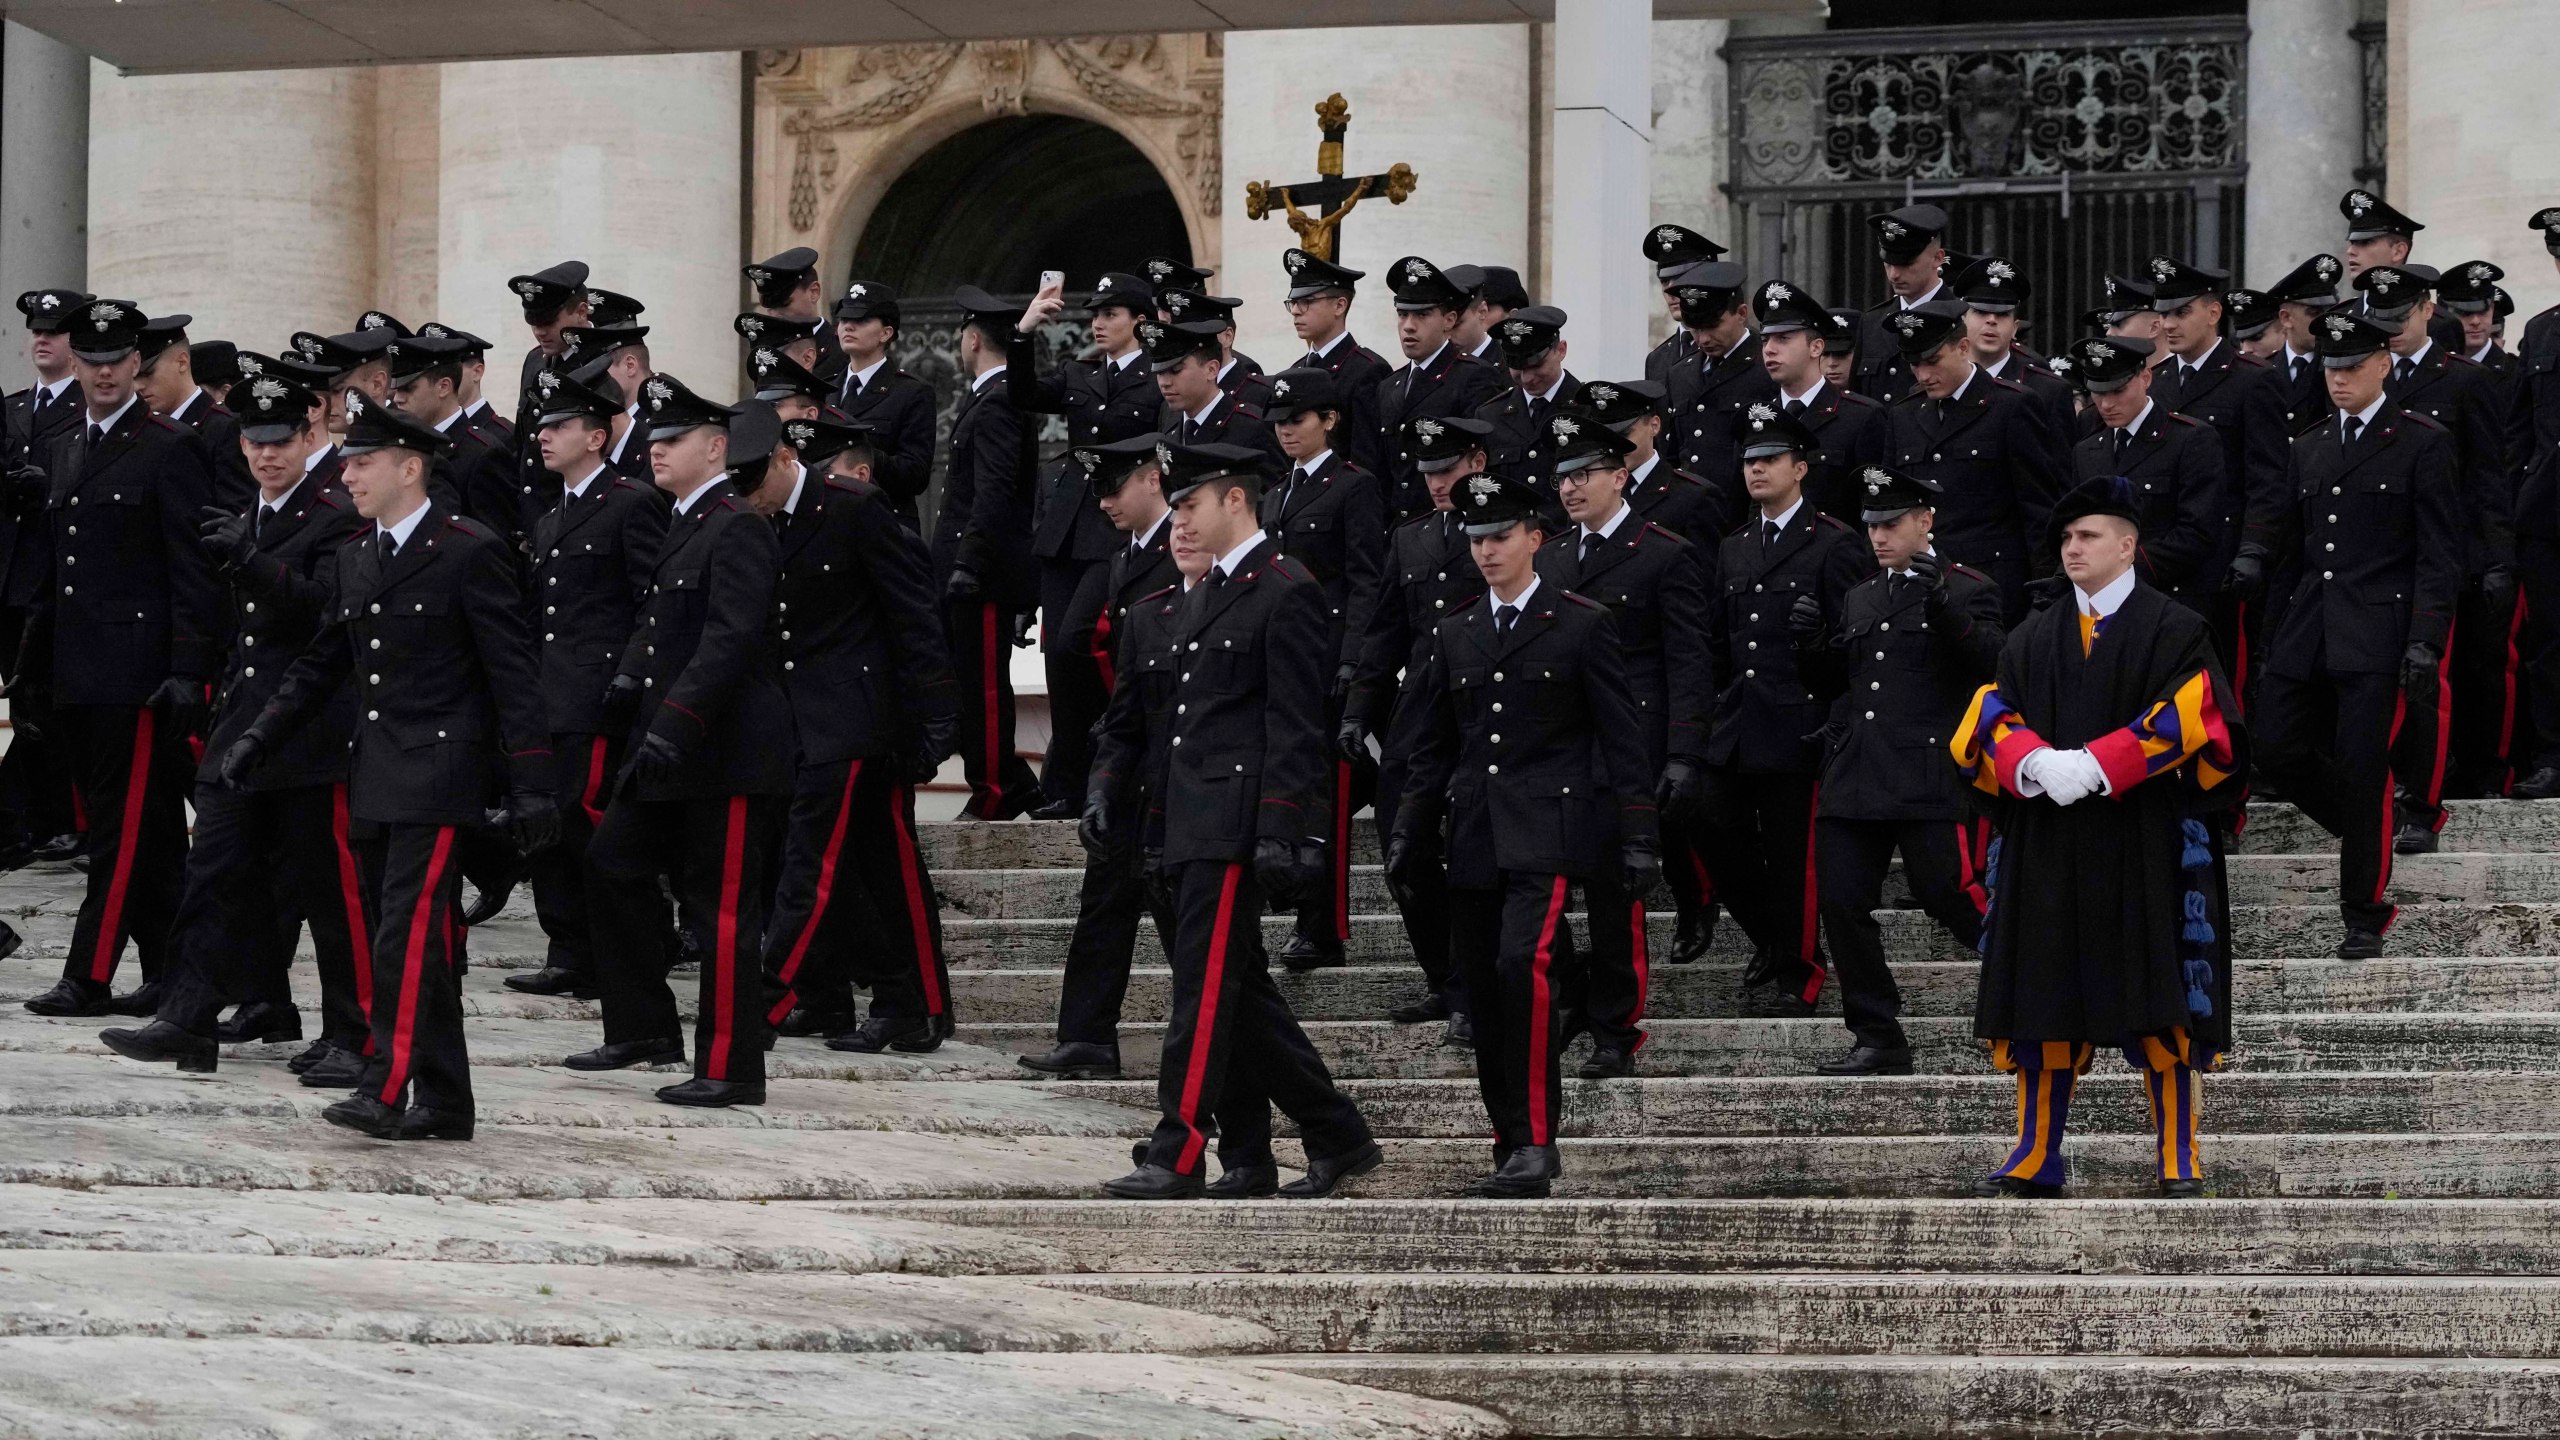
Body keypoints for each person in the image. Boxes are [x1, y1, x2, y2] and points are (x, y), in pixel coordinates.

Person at [210, 389, 555, 1139]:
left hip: (438, 778)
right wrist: (259, 736)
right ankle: (446, 1100)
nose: (350, 476)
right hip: (371, 775)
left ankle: (386, 1086)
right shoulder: (358, 555)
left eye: (363, 462)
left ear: (409, 465)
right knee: (410, 943)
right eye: (349, 460)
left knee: (402, 936)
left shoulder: (468, 548)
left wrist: (532, 784)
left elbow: (513, 677)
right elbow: (324, 659)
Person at [1100, 440, 1382, 1203]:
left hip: (1233, 826)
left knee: (1203, 991)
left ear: (1235, 500)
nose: (1178, 521)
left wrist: (1283, 831)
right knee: (1239, 996)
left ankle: (1178, 1149)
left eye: (1189, 504)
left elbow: (1295, 728)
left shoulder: (1284, 588)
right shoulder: (1193, 593)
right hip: (1180, 822)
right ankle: (1319, 1137)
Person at [1954, 474, 2242, 1199]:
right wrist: (2034, 762)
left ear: (2128, 545)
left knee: (2163, 997)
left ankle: (2179, 1152)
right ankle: (2034, 1153)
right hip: (2049, 840)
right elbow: (1989, 717)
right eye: (2066, 538)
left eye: (2087, 536)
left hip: (2146, 837)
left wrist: (2102, 763)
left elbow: (2197, 713)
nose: (2072, 547)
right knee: (2042, 995)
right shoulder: (2033, 633)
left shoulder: (2176, 628)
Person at [95, 371, 371, 1077]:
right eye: (254, 441)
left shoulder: (336, 511)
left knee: (329, 891)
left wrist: (249, 564)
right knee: (213, 871)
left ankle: (355, 1033)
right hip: (243, 726)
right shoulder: (249, 508)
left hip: (313, 734)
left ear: (312, 438)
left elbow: (324, 614)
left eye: (280, 441)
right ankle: (188, 1018)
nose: (266, 455)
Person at [1392, 469, 1655, 1198]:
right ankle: (1510, 1140)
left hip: (1550, 829)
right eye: (1476, 538)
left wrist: (1637, 835)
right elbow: (1435, 742)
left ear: (1536, 539)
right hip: (1475, 830)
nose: (1486, 550)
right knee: (1481, 990)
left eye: (1500, 535)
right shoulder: (1457, 630)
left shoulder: (1581, 622)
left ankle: (1538, 1140)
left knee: (1523, 968)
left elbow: (1622, 739)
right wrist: (1412, 825)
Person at [567, 376, 792, 1107]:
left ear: (716, 448)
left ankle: (730, 1066)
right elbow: (659, 627)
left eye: (672, 441)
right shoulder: (686, 521)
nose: (656, 451)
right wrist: (626, 689)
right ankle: (643, 1027)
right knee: (611, 863)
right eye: (654, 440)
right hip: (668, 749)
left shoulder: (739, 525)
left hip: (721, 755)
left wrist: (673, 723)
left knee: (720, 909)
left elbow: (730, 640)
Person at [17, 300, 223, 1019]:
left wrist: (190, 670)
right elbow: (53, 571)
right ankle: (173, 975)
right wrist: (29, 670)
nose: (104, 374)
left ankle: (91, 974)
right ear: (76, 364)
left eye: (116, 361)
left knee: (125, 832)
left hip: (140, 677)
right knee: (153, 836)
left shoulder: (169, 446)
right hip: (78, 670)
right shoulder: (65, 445)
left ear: (137, 364)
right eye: (92, 361)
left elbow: (191, 569)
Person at [743, 411, 958, 1054]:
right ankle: (898, 1002)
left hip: (860, 721)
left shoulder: (854, 507)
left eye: (754, 475)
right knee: (872, 872)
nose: (745, 489)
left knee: (819, 864)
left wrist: (937, 717)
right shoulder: (758, 518)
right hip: (799, 724)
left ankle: (769, 999)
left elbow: (914, 615)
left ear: (786, 458)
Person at [2256, 309, 2462, 961]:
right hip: (2310, 623)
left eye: (2350, 367)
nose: (2337, 378)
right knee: (2275, 746)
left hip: (2378, 628)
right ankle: (2363, 826)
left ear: (2381, 365)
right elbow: (2293, 551)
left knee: (2364, 766)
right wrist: (2271, 640)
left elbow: (2439, 553)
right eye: (2329, 367)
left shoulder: (2421, 442)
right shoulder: (2310, 444)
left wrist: (2425, 637)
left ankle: (2365, 915)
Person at [1800, 464, 2002, 1077]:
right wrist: (1811, 648)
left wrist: (1942, 607)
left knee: (1946, 892)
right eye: (1872, 525)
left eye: (1892, 523)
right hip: (1857, 767)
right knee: (1840, 902)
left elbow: (1994, 661)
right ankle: (1877, 1032)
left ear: (1925, 521)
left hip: (1924, 770)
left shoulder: (1965, 587)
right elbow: (1845, 683)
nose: (1880, 536)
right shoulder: (1863, 594)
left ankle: (2029, 965)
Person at [1534, 409, 1711, 1078]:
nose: (1571, 488)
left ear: (1620, 475)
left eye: (1583, 475)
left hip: (1627, 750)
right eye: (1561, 478)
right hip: (1556, 751)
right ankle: (1575, 996)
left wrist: (1685, 752)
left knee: (1615, 902)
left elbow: (1688, 661)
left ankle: (1615, 1027)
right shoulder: (1549, 555)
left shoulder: (1664, 552)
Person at [499, 370, 666, 1002]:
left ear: (597, 436)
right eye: (542, 424)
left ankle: (621, 952)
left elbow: (652, 599)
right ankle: (569, 948)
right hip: (549, 695)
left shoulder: (630, 501)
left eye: (560, 425)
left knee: (591, 825)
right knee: (549, 827)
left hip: (599, 697)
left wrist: (631, 671)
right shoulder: (549, 518)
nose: (543, 435)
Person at [1704, 407, 1870, 1016]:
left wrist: (1837, 713)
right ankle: (1773, 942)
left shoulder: (1834, 543)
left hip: (1800, 722)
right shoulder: (1735, 546)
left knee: (1793, 856)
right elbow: (1722, 641)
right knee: (1709, 825)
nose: (1756, 470)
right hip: (1738, 723)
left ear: (1800, 469)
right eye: (1749, 460)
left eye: (1769, 460)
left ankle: (1800, 971)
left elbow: (1853, 643)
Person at [1026, 434, 1181, 1082]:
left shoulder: (1183, 547)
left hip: (1174, 760)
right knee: (1104, 900)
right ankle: (1086, 1035)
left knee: (1182, 920)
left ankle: (1222, 1042)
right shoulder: (1124, 558)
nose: (1104, 502)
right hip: (1127, 755)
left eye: (1115, 488)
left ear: (1152, 479)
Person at [1343, 415, 1496, 1038]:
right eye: (1428, 470)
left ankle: (1477, 987)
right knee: (1404, 854)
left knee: (1474, 859)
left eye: (1448, 468)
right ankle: (1445, 978)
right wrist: (1358, 709)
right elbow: (1383, 632)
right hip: (1417, 717)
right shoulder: (1409, 540)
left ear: (1477, 463)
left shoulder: (1504, 534)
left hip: (1481, 714)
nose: (1436, 482)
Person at [1013, 271, 1164, 819]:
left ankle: (1115, 765)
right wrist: (1024, 329)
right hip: (1067, 528)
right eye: (1094, 314)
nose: (1098, 323)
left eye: (1111, 314)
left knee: (1084, 640)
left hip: (1117, 529)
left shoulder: (1155, 378)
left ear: (1139, 322)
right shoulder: (1079, 371)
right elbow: (1023, 391)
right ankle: (1068, 786)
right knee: (1059, 658)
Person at [1258, 366, 1388, 973]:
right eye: (1280, 422)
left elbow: (1365, 579)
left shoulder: (1352, 486)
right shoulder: (1276, 492)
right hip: (1285, 661)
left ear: (1329, 420)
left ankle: (1325, 927)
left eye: (1298, 420)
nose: (1287, 431)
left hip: (1331, 658)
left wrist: (1355, 659)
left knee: (1328, 800)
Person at [2144, 256, 2290, 689]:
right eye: (2164, 313)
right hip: (2163, 550)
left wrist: (2254, 548)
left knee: (2217, 677)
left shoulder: (2252, 380)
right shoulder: (2156, 380)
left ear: (2213, 312)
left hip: (2221, 557)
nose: (2169, 323)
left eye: (2181, 312)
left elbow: (2267, 476)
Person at [1882, 300, 2066, 621]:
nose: (1924, 374)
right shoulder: (1904, 415)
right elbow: (1891, 504)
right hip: (1922, 585)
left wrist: (2044, 592)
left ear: (1963, 347)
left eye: (1933, 361)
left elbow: (2038, 507)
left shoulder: (2012, 407)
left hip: (1992, 590)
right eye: (1914, 364)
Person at [935, 286, 1044, 821]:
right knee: (969, 682)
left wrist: (968, 562)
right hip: (973, 567)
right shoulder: (990, 395)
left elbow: (995, 491)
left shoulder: (999, 400)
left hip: (984, 573)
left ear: (973, 338)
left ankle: (997, 787)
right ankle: (1008, 780)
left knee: (983, 685)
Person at [2064, 335, 2226, 617]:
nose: (2106, 404)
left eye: (2117, 390)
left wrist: (2118, 570)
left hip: (2171, 601)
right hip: (2102, 603)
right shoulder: (2088, 449)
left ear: (2146, 378)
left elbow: (2197, 532)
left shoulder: (2190, 439)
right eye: (2098, 392)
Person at [1376, 257, 1505, 517]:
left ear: (1448, 320)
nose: (1409, 325)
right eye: (1403, 314)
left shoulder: (1474, 377)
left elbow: (1484, 464)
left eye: (1422, 314)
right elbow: (1378, 470)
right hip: (1399, 536)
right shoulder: (1390, 386)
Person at [1754, 280, 1887, 526]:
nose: (1770, 350)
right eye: (1765, 340)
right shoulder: (1758, 419)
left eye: (1783, 338)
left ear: (1816, 347)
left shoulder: (1861, 418)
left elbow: (1876, 511)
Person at [2509, 207, 2560, 799]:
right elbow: (2518, 432)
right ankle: (2553, 757)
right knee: (2549, 640)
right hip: (2547, 512)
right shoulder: (2542, 331)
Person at [1575, 378, 1735, 548]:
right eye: (1605, 439)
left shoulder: (1694, 497)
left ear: (1654, 425)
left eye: (1623, 435)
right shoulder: (1585, 490)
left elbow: (1702, 570)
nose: (1615, 447)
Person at [1660, 261, 1779, 487]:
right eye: (1695, 328)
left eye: (1712, 326)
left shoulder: (1767, 367)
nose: (1703, 339)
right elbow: (1673, 453)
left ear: (1741, 313)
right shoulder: (1679, 373)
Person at [829, 281, 935, 530]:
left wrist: (857, 451)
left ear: (886, 333)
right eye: (844, 319)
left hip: (883, 525)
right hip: (830, 524)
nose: (848, 326)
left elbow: (916, 475)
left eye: (861, 320)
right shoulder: (825, 391)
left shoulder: (911, 393)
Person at [1278, 248, 1391, 479]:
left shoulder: (1367, 370)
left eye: (1308, 301)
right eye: (1294, 302)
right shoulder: (1297, 370)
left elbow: (1365, 460)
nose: (1296, 311)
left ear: (1340, 306)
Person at [134, 314, 253, 510]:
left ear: (182, 362)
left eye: (147, 374)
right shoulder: (142, 429)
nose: (138, 386)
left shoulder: (224, 429)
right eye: (134, 376)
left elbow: (234, 516)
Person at [1951, 257, 2075, 442]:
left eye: (2002, 314)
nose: (1991, 320)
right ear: (1962, 320)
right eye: (1981, 311)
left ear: (2015, 328)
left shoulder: (2048, 392)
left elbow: (2059, 466)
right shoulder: (1942, 380)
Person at [1852, 204, 1953, 405]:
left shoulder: (1961, 318)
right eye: (1888, 264)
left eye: (1906, 264)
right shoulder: (1872, 322)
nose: (1894, 275)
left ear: (1937, 258)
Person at [1149, 317, 1281, 463]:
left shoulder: (1250, 428)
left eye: (1176, 370)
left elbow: (1274, 483)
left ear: (1211, 370)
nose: (1164, 383)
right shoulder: (1171, 433)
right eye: (1159, 373)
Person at [1473, 306, 1578, 486]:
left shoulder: (1586, 409)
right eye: (1517, 367)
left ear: (1561, 350)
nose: (1527, 378)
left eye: (1536, 365)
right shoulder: (1490, 415)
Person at [2264, 255, 2348, 434]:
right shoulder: (2265, 370)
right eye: (2315, 313)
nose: (2327, 321)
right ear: (2286, 318)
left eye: (2331, 311)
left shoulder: (2344, 368)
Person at [1641, 223, 1725, 383]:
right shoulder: (1656, 360)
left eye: (1681, 279)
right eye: (1664, 282)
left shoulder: (1736, 344)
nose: (1670, 291)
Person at [744, 247, 844, 381]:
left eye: (785, 304)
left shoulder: (843, 350)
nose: (775, 314)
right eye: (770, 307)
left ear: (813, 292)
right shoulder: (768, 351)